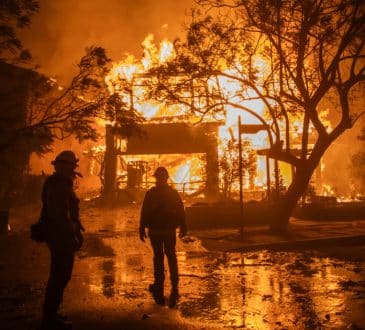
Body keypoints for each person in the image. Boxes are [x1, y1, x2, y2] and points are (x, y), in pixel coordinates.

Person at [41, 150, 84, 329]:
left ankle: (51, 314)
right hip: (61, 237)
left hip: (58, 235)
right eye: (71, 167)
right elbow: (62, 214)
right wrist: (72, 234)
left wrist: (76, 224)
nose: (73, 170)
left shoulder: (58, 182)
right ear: (65, 167)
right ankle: (50, 318)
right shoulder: (59, 185)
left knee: (59, 276)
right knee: (60, 276)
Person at [139, 166, 187, 308]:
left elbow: (145, 211)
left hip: (158, 231)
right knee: (169, 255)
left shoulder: (152, 193)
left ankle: (160, 284)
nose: (159, 180)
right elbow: (180, 210)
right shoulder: (171, 193)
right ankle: (172, 283)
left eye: (160, 178)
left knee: (160, 256)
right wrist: (183, 225)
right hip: (165, 230)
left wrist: (142, 227)